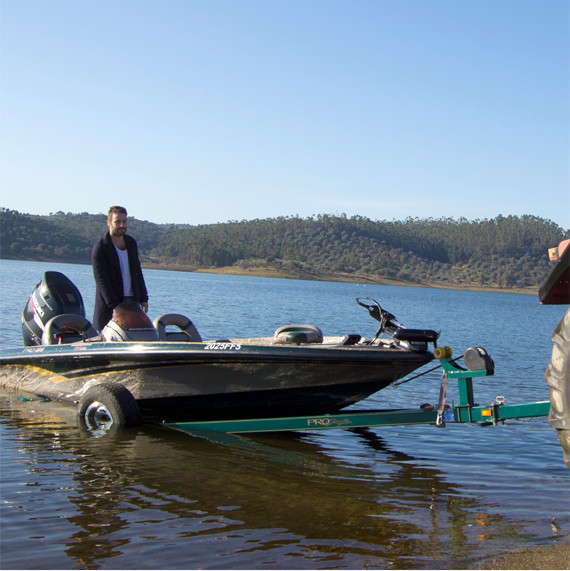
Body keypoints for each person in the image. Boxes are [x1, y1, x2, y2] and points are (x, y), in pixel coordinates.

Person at [92, 206, 149, 331]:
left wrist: (144, 298)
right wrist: (114, 307)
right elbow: (101, 281)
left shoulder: (131, 243)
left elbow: (137, 272)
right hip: (112, 306)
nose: (122, 225)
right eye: (117, 222)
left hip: (133, 302)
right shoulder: (101, 248)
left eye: (124, 221)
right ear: (109, 222)